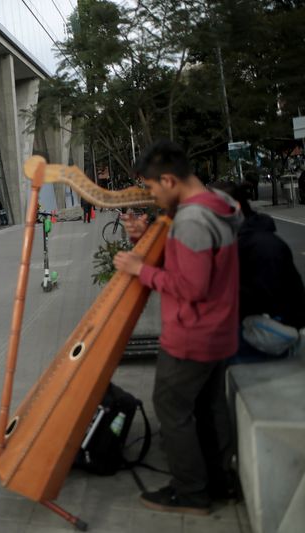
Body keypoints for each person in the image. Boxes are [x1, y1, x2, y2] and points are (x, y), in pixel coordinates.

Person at [113, 140, 243, 516]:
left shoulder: (191, 220)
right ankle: (222, 482)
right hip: (220, 330)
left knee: (171, 408)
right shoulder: (220, 204)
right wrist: (146, 240)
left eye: (152, 188)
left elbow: (192, 287)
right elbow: (202, 267)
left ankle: (191, 492)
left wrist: (141, 269)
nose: (151, 196)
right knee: (210, 407)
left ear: (169, 180)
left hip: (192, 334)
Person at [211, 181, 305, 362]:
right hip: (257, 323)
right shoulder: (236, 238)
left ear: (234, 208)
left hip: (274, 331)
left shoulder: (263, 245)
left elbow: (260, 299)